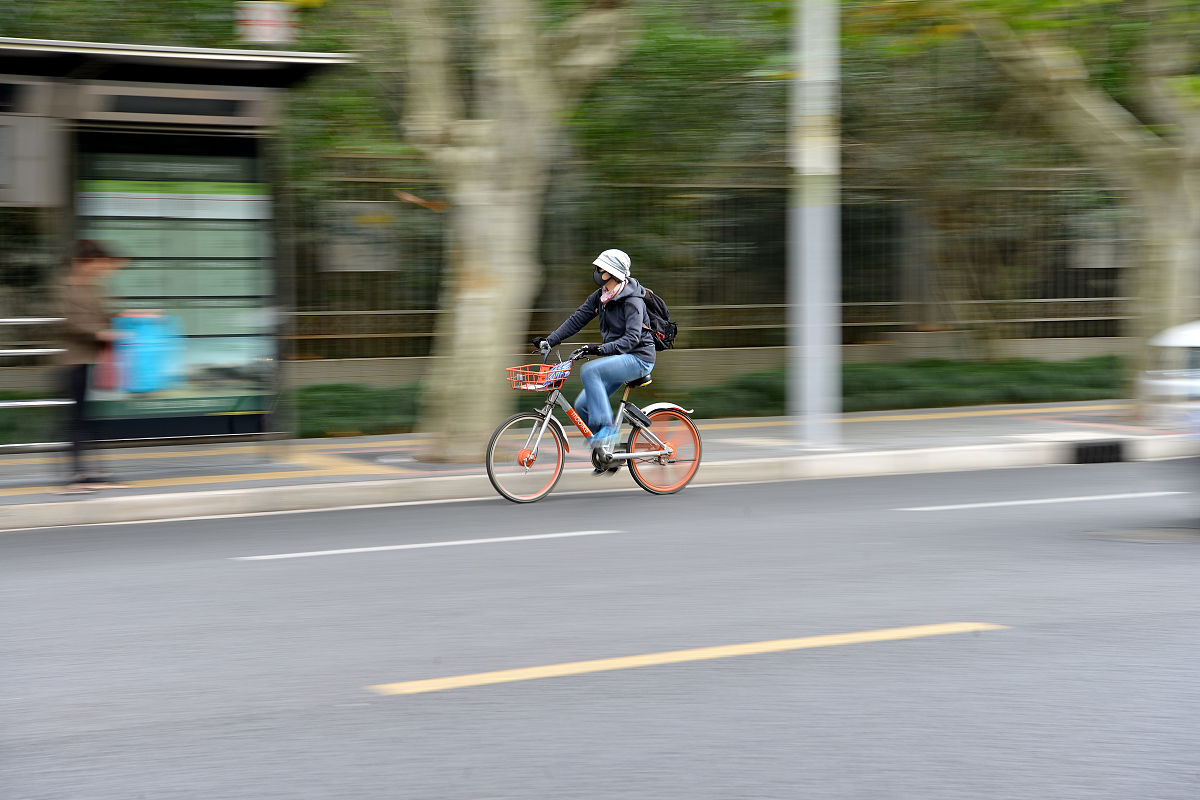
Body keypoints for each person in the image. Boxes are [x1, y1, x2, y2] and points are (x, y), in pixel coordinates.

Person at [534, 249, 656, 453]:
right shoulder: (602, 296)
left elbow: (632, 339)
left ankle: (608, 430)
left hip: (638, 358)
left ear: (612, 272)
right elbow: (577, 319)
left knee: (590, 371)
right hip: (618, 358)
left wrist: (599, 349)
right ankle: (605, 453)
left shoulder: (633, 300)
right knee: (582, 405)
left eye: (600, 268)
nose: (597, 271)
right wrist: (550, 340)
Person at [56, 240, 128, 494]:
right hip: (70, 360)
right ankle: (76, 474)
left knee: (85, 417)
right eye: (94, 265)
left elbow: (103, 315)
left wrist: (131, 316)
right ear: (80, 263)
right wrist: (99, 333)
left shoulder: (92, 287)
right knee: (76, 419)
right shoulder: (64, 287)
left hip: (89, 359)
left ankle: (86, 472)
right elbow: (67, 322)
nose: (99, 270)